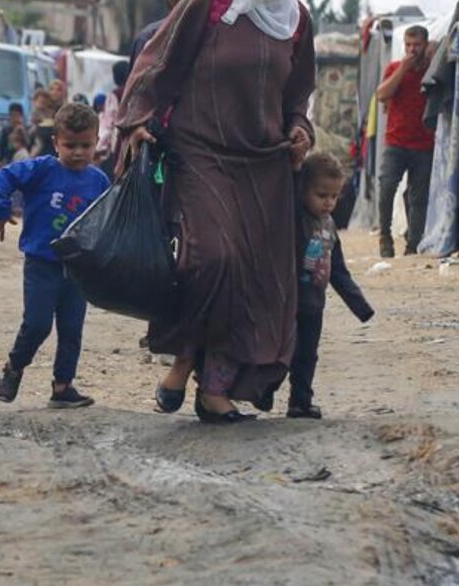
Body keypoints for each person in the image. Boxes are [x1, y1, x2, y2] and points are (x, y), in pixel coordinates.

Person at [120, 0, 315, 423]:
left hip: (265, 163)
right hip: (200, 148)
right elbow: (157, 61)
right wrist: (137, 119)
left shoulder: (297, 18)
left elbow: (297, 96)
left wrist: (300, 129)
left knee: (252, 278)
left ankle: (215, 388)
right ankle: (184, 361)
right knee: (214, 258)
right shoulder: (208, 6)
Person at [0, 103, 109, 409]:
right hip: (42, 264)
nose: (78, 152)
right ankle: (14, 367)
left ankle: (63, 386)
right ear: (56, 143)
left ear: (96, 142)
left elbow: (109, 218)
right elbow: (3, 178)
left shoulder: (99, 181)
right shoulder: (41, 170)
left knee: (71, 330)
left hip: (79, 269)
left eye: (85, 145)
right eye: (70, 145)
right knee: (38, 324)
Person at [277, 152, 375, 420]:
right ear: (304, 190)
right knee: (279, 353)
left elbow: (339, 270)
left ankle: (300, 402)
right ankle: (263, 390)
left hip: (313, 305)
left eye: (334, 196)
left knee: (307, 356)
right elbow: (288, 186)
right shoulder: (295, 216)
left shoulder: (329, 226)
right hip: (287, 302)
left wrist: (360, 306)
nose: (329, 202)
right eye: (321, 195)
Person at [373, 26, 435, 258]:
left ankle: (414, 243)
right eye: (408, 45)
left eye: (416, 45)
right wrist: (402, 69)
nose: (411, 50)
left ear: (425, 45)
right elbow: (381, 95)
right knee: (387, 186)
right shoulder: (394, 68)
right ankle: (385, 236)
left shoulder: (431, 71)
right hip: (396, 142)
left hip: (424, 143)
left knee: (419, 196)